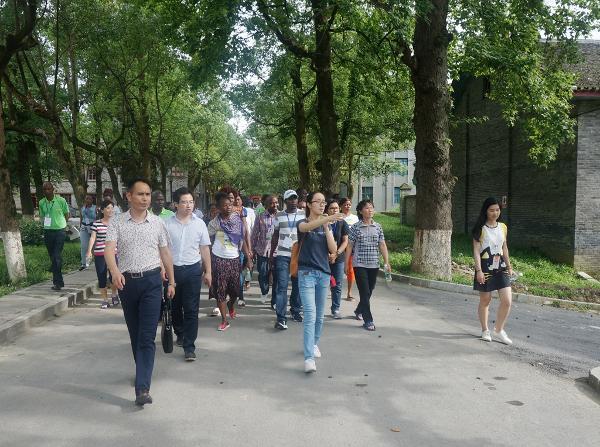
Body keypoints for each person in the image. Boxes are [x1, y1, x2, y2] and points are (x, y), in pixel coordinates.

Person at [104, 178, 175, 406]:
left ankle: (142, 387)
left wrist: (172, 281)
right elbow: (108, 250)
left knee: (146, 336)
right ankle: (142, 370)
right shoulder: (117, 222)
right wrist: (115, 272)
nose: (145, 198)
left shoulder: (157, 223)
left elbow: (165, 253)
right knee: (135, 334)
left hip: (152, 282)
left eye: (148, 194)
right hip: (127, 284)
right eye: (140, 194)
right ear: (129, 196)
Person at [297, 192, 344, 373]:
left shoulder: (326, 225)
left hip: (324, 274)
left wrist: (326, 225)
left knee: (319, 316)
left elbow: (333, 249)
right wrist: (328, 219)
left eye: (324, 202)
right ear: (309, 204)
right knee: (310, 314)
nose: (322, 204)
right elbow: (305, 228)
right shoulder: (302, 223)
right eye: (318, 202)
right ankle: (308, 358)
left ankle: (314, 343)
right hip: (306, 274)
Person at [165, 187, 212, 361]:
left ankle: (190, 347)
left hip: (193, 270)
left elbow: (204, 248)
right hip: (173, 271)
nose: (188, 205)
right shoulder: (167, 224)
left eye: (191, 202)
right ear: (176, 204)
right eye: (184, 202)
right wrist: (163, 269)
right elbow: (163, 249)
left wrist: (208, 271)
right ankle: (180, 332)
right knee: (175, 307)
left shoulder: (199, 224)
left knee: (191, 309)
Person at [207, 192, 253, 331]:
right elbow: (207, 243)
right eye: (224, 205)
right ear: (218, 208)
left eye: (229, 205)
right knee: (220, 290)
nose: (228, 207)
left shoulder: (237, 220)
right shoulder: (214, 223)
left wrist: (248, 258)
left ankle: (231, 305)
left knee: (235, 291)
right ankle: (224, 320)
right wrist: (207, 266)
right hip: (218, 259)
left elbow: (242, 240)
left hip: (234, 259)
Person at [472, 197, 514, 345]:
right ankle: (485, 330)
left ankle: (498, 330)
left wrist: (509, 266)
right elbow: (476, 251)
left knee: (507, 301)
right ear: (485, 211)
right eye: (491, 210)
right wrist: (478, 270)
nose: (495, 213)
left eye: (497, 210)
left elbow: (504, 248)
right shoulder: (480, 228)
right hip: (484, 267)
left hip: (501, 267)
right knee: (485, 300)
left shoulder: (503, 227)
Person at [345, 199, 390, 331]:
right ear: (360, 211)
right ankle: (368, 320)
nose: (370, 210)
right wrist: (346, 264)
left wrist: (386, 262)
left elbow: (382, 244)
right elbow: (349, 246)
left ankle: (359, 309)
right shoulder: (355, 227)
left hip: (374, 264)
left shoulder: (378, 227)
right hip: (359, 264)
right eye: (366, 208)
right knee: (364, 292)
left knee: (369, 290)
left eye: (371, 207)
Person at [270, 189, 305, 330]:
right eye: (290, 199)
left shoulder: (303, 215)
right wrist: (271, 254)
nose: (293, 201)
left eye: (295, 198)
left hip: (298, 256)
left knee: (298, 285)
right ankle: (281, 318)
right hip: (282, 256)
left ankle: (295, 310)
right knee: (282, 287)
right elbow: (275, 236)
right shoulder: (279, 215)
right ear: (285, 201)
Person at [86, 200, 119, 309]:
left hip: (113, 253)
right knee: (101, 277)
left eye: (112, 208)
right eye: (108, 208)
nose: (110, 210)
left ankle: (114, 295)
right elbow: (93, 238)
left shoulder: (116, 223)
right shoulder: (96, 223)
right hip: (100, 254)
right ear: (102, 210)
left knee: (114, 276)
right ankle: (105, 300)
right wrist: (89, 251)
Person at [38, 182, 70, 291]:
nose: (47, 191)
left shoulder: (61, 200)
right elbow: (42, 216)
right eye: (45, 189)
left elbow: (67, 214)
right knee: (53, 257)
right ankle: (57, 280)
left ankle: (58, 282)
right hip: (48, 232)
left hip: (60, 231)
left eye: (49, 189)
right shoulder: (41, 202)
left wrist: (62, 224)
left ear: (53, 189)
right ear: (43, 191)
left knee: (56, 256)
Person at [251, 195, 279, 304]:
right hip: (262, 251)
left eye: (276, 202)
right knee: (263, 274)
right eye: (272, 203)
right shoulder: (260, 216)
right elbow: (254, 234)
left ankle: (274, 301)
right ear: (266, 205)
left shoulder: (281, 216)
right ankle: (264, 290)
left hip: (277, 252)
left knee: (277, 277)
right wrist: (252, 251)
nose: (275, 205)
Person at [325, 199, 349, 319]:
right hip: (323, 258)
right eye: (331, 208)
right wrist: (328, 255)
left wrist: (336, 253)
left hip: (339, 258)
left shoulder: (342, 223)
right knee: (322, 283)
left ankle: (335, 309)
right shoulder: (323, 223)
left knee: (337, 284)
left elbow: (345, 241)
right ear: (327, 210)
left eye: (336, 208)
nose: (334, 210)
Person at [339, 197, 359, 301]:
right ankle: (334, 288)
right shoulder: (337, 217)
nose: (347, 206)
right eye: (345, 204)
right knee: (335, 270)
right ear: (341, 206)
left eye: (349, 205)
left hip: (351, 247)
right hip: (339, 247)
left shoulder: (355, 218)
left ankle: (349, 292)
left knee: (350, 270)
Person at [79, 194, 97, 271]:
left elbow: (98, 218)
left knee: (95, 246)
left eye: (89, 199)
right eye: (86, 198)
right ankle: (84, 264)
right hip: (84, 228)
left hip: (93, 228)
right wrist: (80, 226)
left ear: (92, 200)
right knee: (84, 246)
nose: (87, 200)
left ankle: (97, 262)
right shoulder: (82, 208)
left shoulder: (95, 208)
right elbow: (81, 218)